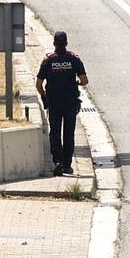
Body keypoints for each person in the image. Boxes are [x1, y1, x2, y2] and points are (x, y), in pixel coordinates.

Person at [34, 31, 88, 178]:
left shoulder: (48, 61)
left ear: (54, 44)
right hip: (70, 102)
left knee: (55, 132)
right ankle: (67, 165)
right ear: (66, 43)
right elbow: (84, 81)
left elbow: (39, 84)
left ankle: (57, 161)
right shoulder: (74, 59)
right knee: (69, 133)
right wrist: (74, 82)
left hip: (54, 102)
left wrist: (44, 95)